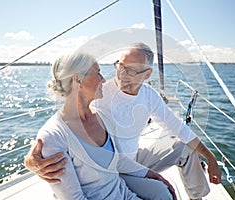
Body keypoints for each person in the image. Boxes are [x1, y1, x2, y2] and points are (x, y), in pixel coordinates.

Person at [25, 43, 221, 200]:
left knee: (183, 148)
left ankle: (197, 197)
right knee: (161, 191)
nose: (121, 75)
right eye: (120, 67)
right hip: (112, 169)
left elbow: (177, 127)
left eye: (131, 71)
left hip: (128, 160)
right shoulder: (100, 93)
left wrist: (211, 158)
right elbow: (64, 128)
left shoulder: (148, 95)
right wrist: (31, 159)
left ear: (147, 74)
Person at [31, 51, 176, 200]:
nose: (104, 80)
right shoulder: (54, 137)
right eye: (98, 73)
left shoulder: (101, 117)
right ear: (78, 80)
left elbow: (117, 160)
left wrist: (154, 176)